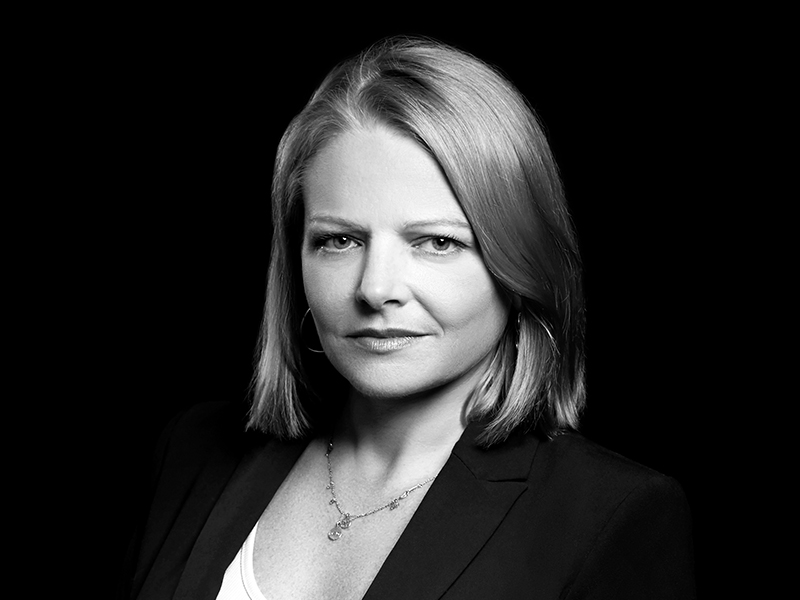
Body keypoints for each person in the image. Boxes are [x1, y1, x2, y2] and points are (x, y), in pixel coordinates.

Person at [119, 36, 695, 599]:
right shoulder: (192, 449)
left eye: (437, 243)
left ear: (521, 266)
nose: (375, 289)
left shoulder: (612, 516)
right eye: (340, 240)